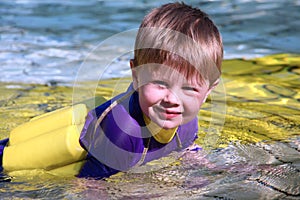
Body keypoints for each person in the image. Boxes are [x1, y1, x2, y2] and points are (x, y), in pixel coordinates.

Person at [0, 2, 223, 179]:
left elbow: (185, 148)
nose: (173, 99)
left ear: (208, 91)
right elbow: (90, 186)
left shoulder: (186, 121)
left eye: (189, 88)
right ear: (136, 76)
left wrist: (214, 170)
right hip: (8, 173)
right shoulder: (123, 132)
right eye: (161, 84)